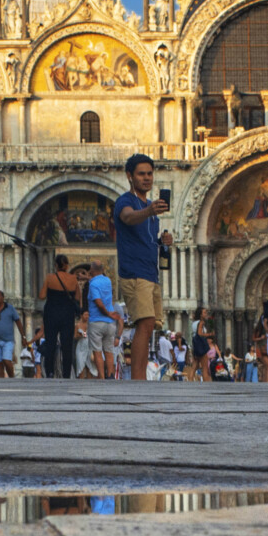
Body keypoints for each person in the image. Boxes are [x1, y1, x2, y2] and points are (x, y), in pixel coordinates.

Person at [112, 154, 172, 385]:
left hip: (150, 273)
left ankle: (140, 377)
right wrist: (148, 212)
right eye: (141, 174)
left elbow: (146, 239)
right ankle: (137, 380)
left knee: (150, 327)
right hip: (134, 272)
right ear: (130, 176)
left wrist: (162, 242)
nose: (147, 178)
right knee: (144, 323)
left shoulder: (150, 208)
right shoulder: (125, 201)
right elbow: (127, 218)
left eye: (149, 174)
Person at [39, 256, 80, 379]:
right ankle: (66, 373)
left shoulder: (50, 278)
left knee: (50, 343)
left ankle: (50, 372)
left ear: (56, 265)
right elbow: (77, 298)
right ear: (67, 266)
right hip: (67, 314)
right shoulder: (73, 279)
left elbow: (42, 296)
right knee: (67, 345)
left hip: (51, 313)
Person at [83, 259, 120, 380]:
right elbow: (97, 278)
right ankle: (110, 375)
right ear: (103, 270)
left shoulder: (93, 284)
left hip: (97, 321)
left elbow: (98, 302)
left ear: (91, 270)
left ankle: (102, 377)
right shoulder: (107, 281)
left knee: (97, 351)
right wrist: (88, 276)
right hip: (110, 324)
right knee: (109, 350)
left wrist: (107, 313)